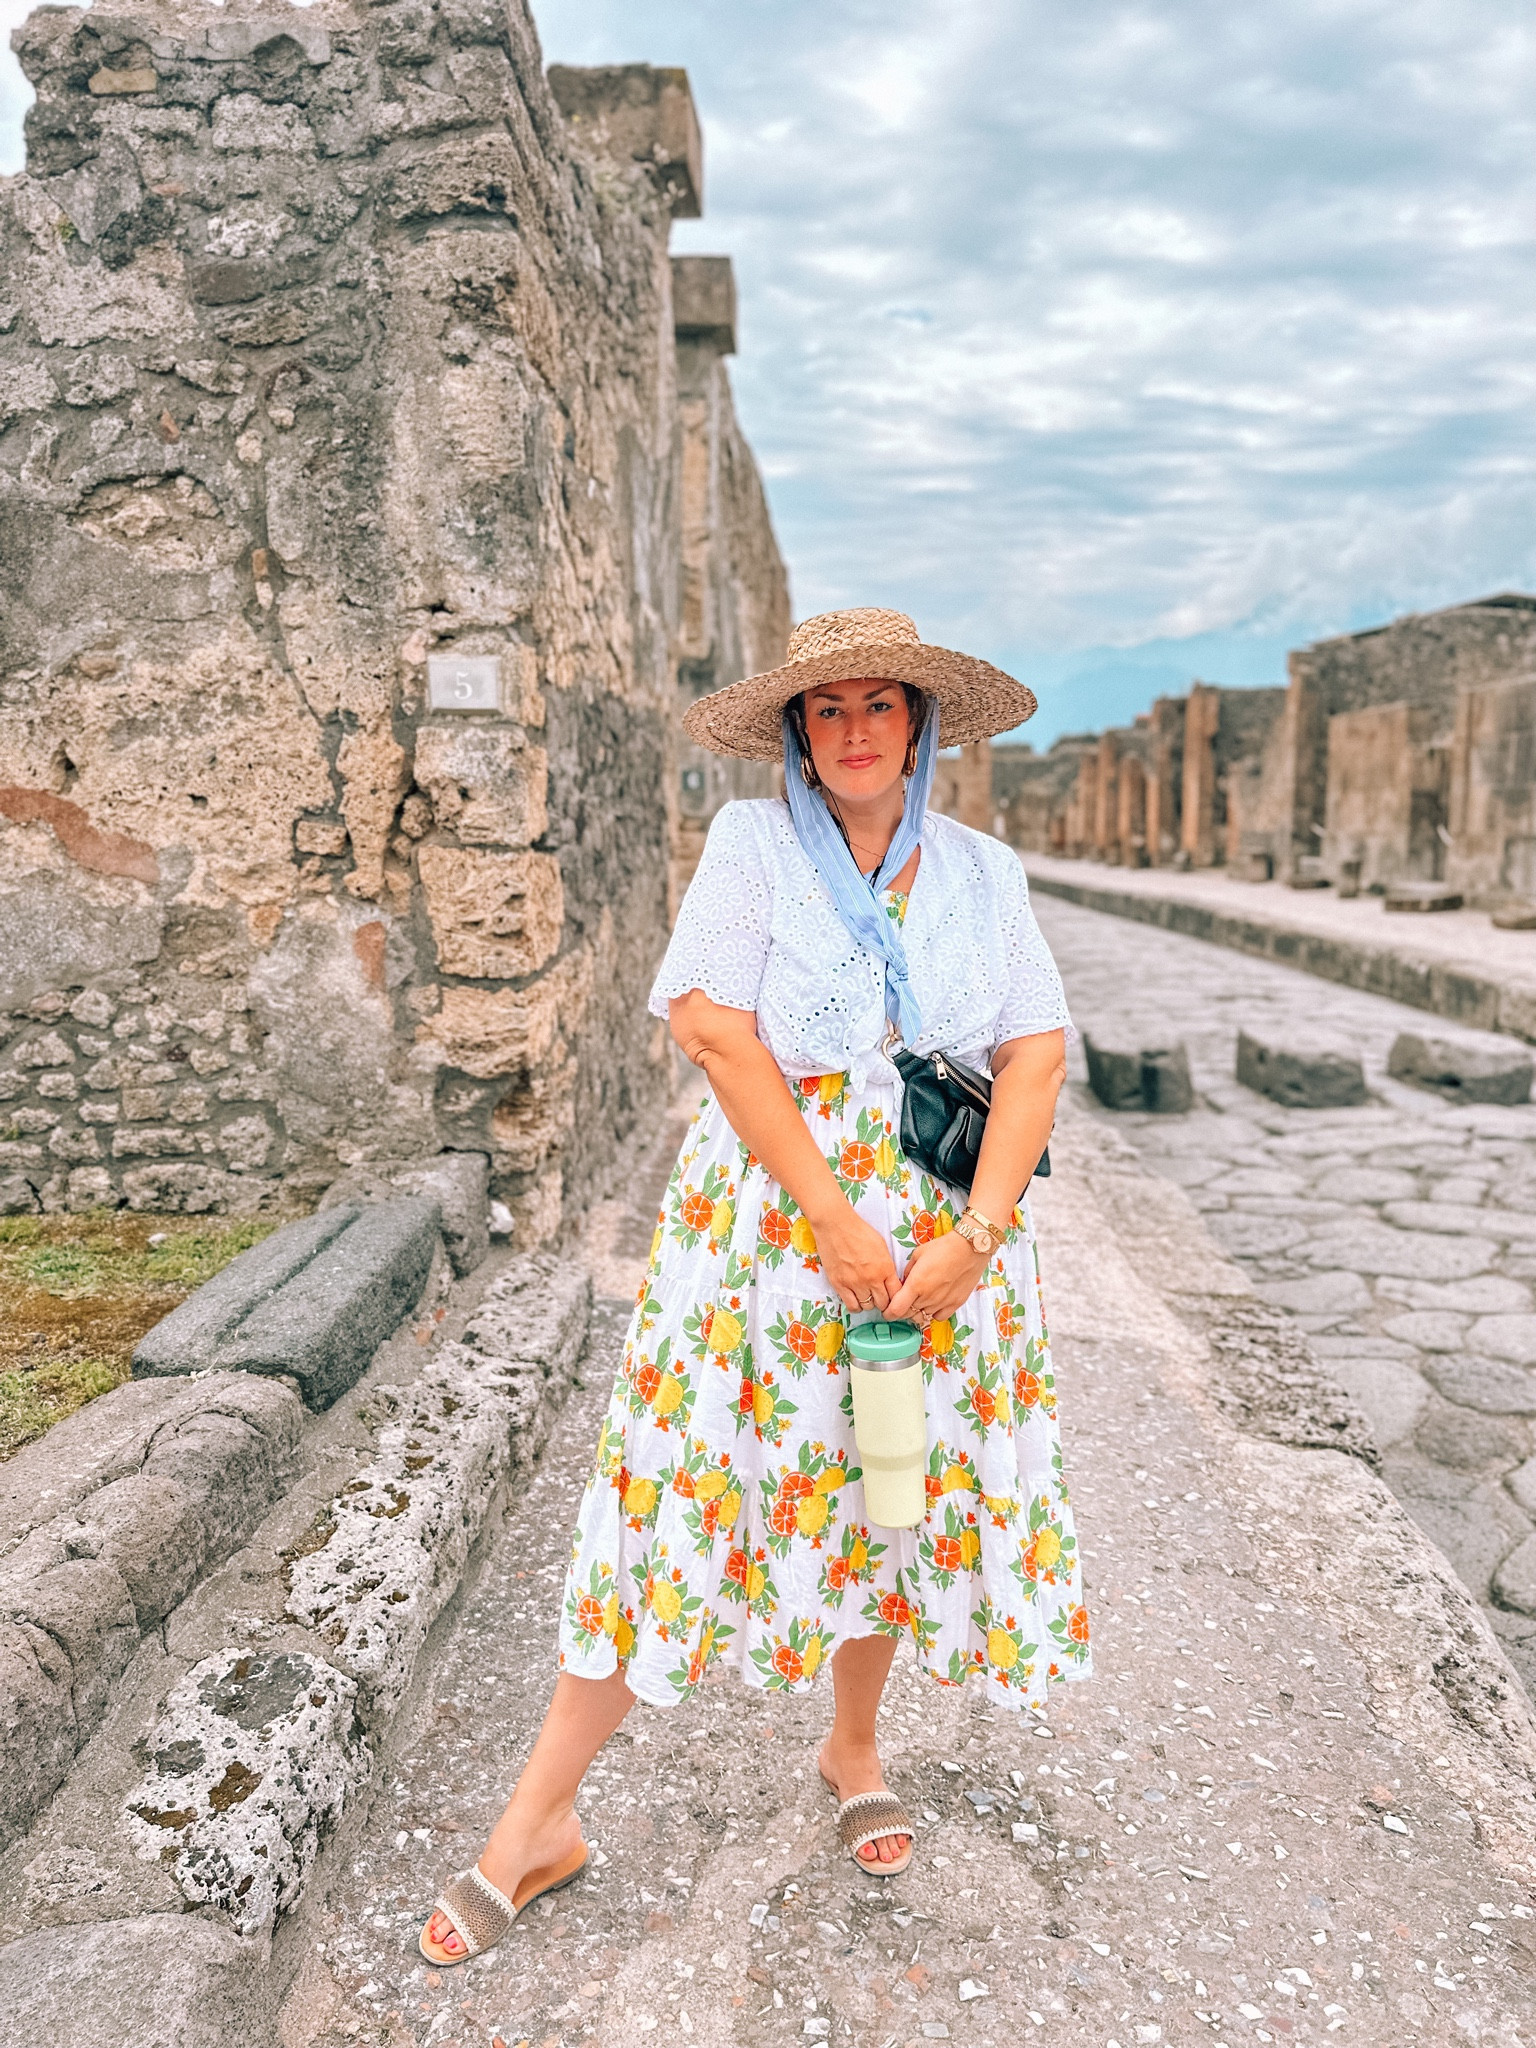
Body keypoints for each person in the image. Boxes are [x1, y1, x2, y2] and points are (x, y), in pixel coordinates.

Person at [420, 607, 1089, 1964]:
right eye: (827, 708)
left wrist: (981, 1234)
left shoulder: (981, 871)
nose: (853, 731)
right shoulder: (751, 848)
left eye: (879, 706)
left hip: (942, 1251)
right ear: (797, 729)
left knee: (889, 1492)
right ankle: (534, 1823)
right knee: (675, 1487)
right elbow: (715, 1031)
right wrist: (838, 1218)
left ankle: (853, 1750)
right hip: (774, 1238)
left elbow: (1033, 1053)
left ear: (920, 724)